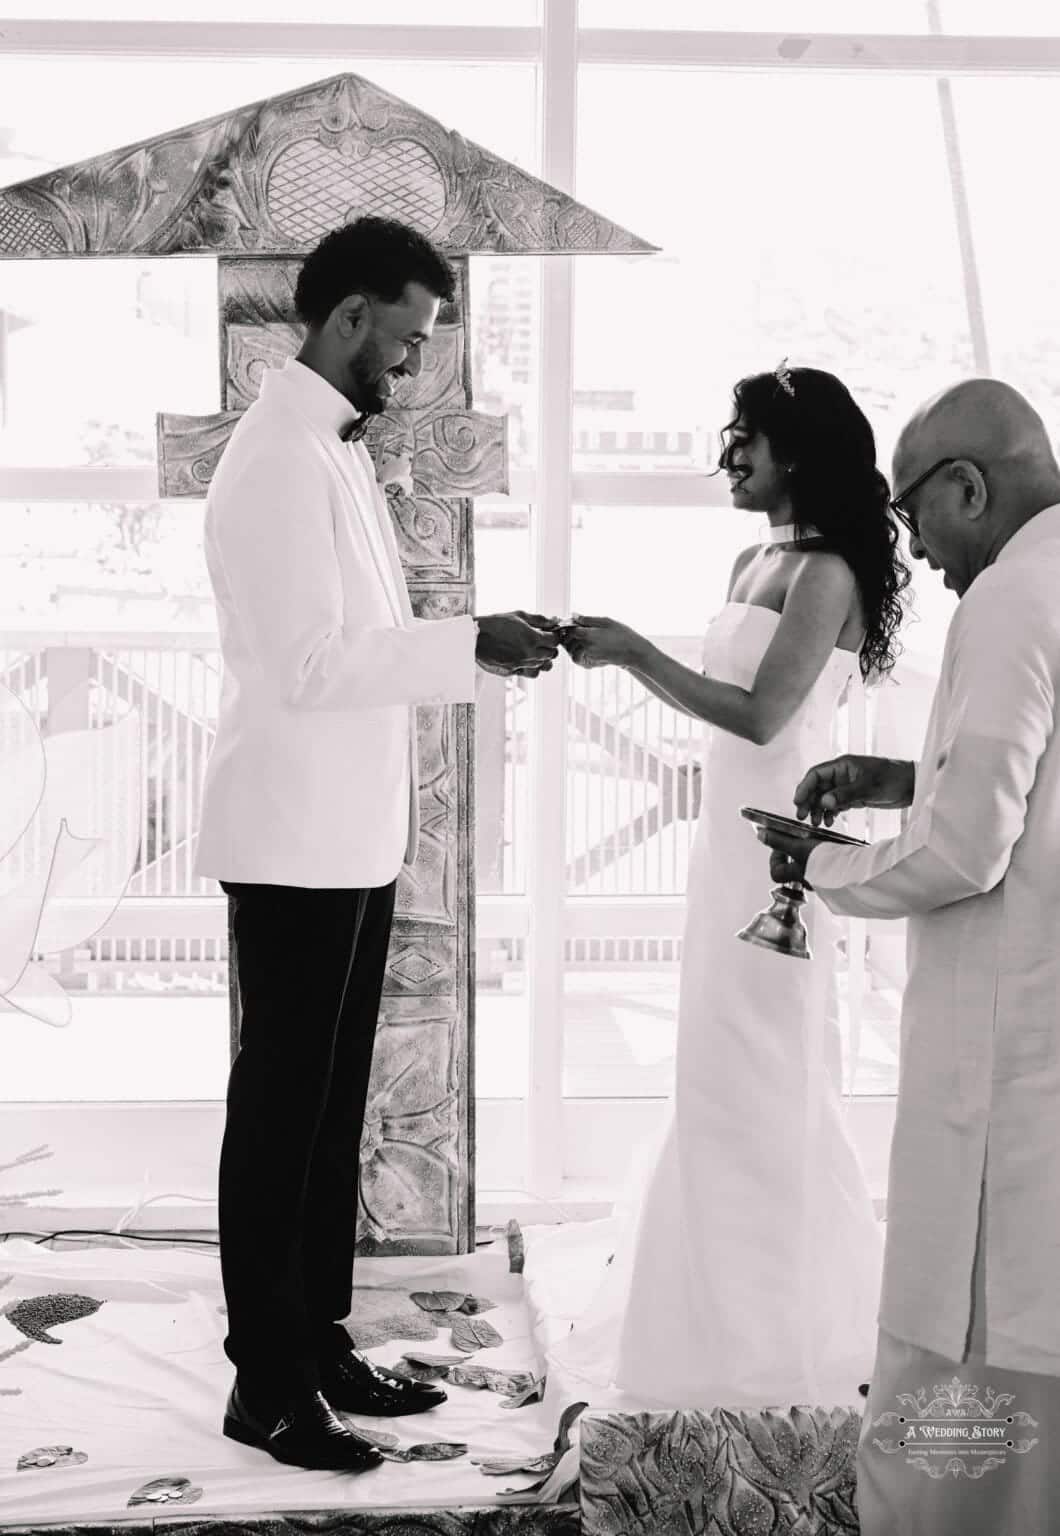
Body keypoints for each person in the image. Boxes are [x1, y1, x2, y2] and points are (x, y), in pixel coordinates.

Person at [193, 216, 559, 1472]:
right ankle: (264, 1384)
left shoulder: (333, 448)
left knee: (331, 1110)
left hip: (349, 833)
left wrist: (464, 635)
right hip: (290, 835)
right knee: (280, 1115)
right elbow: (304, 664)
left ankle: (321, 1341)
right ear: (348, 316)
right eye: (400, 345)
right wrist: (472, 642)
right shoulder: (275, 460)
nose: (405, 372)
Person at [536, 363, 910, 1410]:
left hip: (779, 849)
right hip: (721, 844)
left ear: (796, 450)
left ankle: (776, 1322)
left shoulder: (826, 570)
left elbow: (762, 715)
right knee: (714, 1065)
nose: (726, 452)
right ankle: (703, 1304)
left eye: (744, 434)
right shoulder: (752, 555)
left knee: (769, 1071)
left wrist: (630, 652)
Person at [759, 378, 1060, 1535]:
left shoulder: (1006, 600)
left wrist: (820, 864)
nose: (911, 547)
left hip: (1006, 1034)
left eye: (908, 513)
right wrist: (904, 783)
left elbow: (967, 854)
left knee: (967, 1330)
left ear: (968, 490)